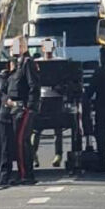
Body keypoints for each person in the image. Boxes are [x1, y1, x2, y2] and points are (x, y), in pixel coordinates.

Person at [0, 36, 41, 185]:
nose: (12, 49)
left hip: (24, 107)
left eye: (15, 46)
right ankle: (22, 173)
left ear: (22, 47)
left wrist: (29, 106)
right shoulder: (15, 65)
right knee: (17, 141)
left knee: (22, 140)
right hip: (15, 108)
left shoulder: (27, 63)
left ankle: (26, 175)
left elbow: (33, 86)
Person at [32, 38, 65, 168]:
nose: (48, 49)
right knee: (36, 128)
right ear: (42, 48)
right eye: (46, 46)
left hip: (56, 98)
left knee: (58, 128)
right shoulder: (36, 63)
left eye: (50, 46)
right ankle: (33, 154)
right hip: (42, 98)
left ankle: (58, 155)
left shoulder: (59, 62)